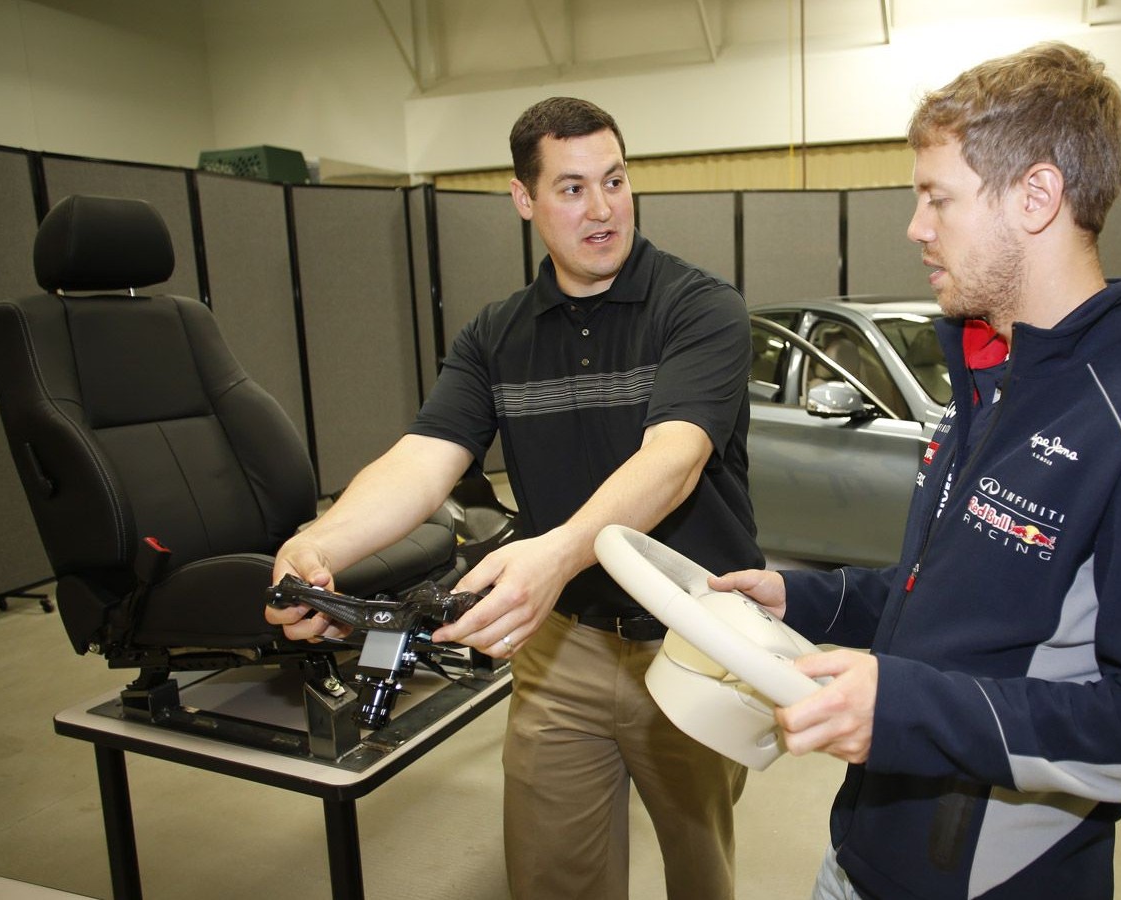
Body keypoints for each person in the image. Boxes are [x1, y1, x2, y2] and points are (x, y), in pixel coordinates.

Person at [711, 43, 1121, 900]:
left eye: (938, 198)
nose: (916, 226)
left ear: (1036, 196)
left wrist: (903, 710)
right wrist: (804, 599)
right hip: (864, 855)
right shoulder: (995, 381)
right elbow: (951, 599)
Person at [266, 96, 761, 899]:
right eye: (571, 189)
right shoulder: (496, 335)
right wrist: (323, 543)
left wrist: (558, 554)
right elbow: (423, 460)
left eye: (615, 181)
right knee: (552, 880)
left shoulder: (700, 308)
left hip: (692, 642)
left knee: (700, 875)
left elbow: (672, 460)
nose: (602, 210)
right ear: (524, 199)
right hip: (563, 646)